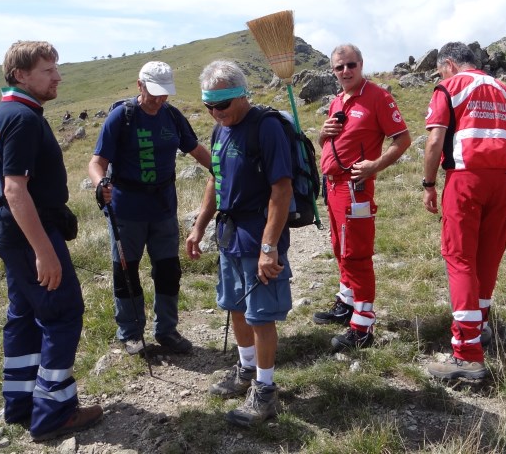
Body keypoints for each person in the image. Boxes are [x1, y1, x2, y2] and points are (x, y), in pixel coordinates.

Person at [0, 41, 102, 442]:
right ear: (21, 75)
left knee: (22, 315)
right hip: (27, 233)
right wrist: (44, 251)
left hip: (10, 231)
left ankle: (19, 404)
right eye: (48, 69)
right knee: (63, 312)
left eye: (56, 68)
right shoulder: (22, 118)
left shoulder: (7, 112)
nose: (57, 76)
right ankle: (54, 412)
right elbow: (16, 189)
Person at [185, 60, 293, 427]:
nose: (216, 114)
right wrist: (199, 226)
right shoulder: (220, 131)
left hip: (257, 235)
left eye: (223, 105)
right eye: (209, 107)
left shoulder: (266, 128)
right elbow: (216, 180)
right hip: (229, 235)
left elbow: (281, 188)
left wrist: (269, 247)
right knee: (234, 304)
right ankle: (246, 370)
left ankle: (265, 391)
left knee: (261, 315)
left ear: (242, 95)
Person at [88, 61, 211, 355]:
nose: (159, 100)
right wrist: (100, 182)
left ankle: (167, 331)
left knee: (168, 270)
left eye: (164, 93)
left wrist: (221, 170)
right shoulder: (122, 117)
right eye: (154, 92)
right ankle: (130, 333)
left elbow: (195, 149)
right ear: (139, 85)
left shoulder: (171, 116)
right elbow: (97, 162)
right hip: (126, 210)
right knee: (126, 272)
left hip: (164, 208)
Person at [422, 41, 506, 380]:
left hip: (466, 177)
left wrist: (428, 184)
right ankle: (479, 325)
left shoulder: (449, 86)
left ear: (449, 64)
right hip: (505, 178)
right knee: (487, 256)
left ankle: (466, 353)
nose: (440, 75)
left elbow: (435, 140)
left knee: (460, 257)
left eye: (440, 70)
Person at [315, 43, 412, 352]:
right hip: (331, 187)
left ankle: (363, 326)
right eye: (339, 67)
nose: (346, 71)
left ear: (361, 64)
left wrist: (374, 166)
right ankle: (346, 302)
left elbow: (403, 139)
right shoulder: (336, 102)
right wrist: (323, 132)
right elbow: (325, 143)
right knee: (340, 248)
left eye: (351, 65)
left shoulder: (378, 98)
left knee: (357, 254)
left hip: (354, 188)